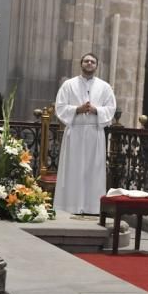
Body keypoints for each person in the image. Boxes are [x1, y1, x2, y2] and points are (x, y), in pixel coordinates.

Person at [53, 53, 116, 215]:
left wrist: (96, 110)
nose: (89, 63)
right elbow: (59, 107)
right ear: (81, 64)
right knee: (72, 170)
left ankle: (91, 207)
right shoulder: (69, 85)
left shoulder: (105, 87)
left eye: (92, 61)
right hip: (75, 132)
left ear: (97, 66)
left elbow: (111, 109)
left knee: (93, 170)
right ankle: (69, 206)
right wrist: (77, 110)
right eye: (86, 61)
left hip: (94, 133)